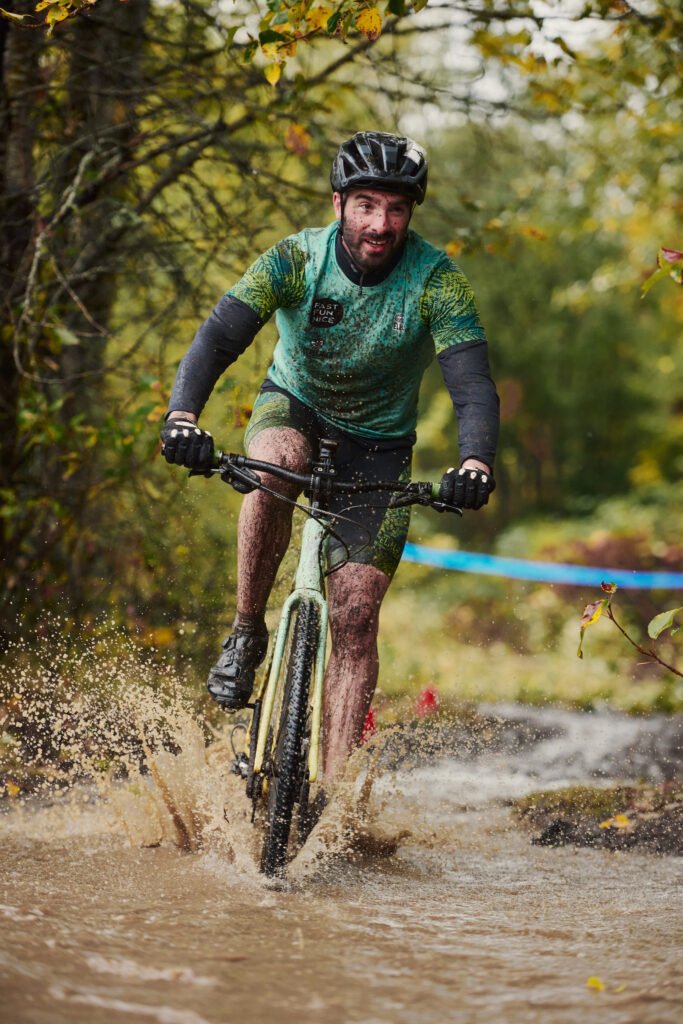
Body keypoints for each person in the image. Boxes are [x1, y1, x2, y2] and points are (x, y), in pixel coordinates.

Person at [161, 130, 499, 781]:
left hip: (379, 449)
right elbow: (219, 336)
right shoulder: (295, 259)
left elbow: (471, 383)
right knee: (273, 464)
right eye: (366, 205)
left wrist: (475, 461)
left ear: (410, 213)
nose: (380, 224)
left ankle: (334, 796)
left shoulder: (437, 280)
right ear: (339, 202)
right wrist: (182, 417)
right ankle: (246, 630)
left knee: (357, 613)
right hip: (293, 407)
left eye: (396, 209)